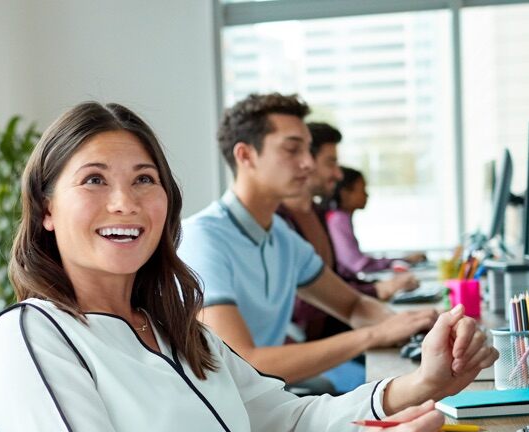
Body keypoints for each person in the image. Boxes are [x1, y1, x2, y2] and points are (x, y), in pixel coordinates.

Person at [0, 101, 497, 432]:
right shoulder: (32, 338)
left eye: (144, 180)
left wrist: (419, 384)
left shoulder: (171, 327)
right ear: (46, 209)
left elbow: (288, 422)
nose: (124, 203)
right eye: (93, 180)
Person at [179, 93, 436, 393]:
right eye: (292, 150)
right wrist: (374, 335)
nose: (308, 164)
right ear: (246, 156)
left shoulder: (282, 237)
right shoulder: (202, 239)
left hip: (264, 399)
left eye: (308, 151)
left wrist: (411, 327)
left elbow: (353, 305)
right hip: (224, 413)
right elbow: (243, 362)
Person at [279, 122, 417, 343]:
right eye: (331, 162)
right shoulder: (279, 224)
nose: (338, 174)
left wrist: (398, 320)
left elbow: (334, 280)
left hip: (334, 331)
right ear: (305, 162)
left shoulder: (319, 214)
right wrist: (376, 292)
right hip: (311, 343)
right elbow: (306, 304)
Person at [326, 167, 427, 276]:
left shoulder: (342, 218)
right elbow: (359, 264)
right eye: (362, 189)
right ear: (345, 193)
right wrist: (403, 260)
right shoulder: (338, 219)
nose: (367, 195)